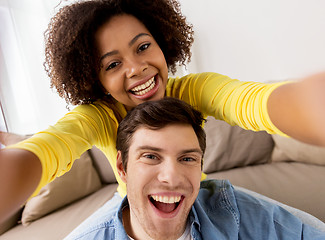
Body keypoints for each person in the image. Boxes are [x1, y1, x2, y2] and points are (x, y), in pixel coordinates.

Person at [0, 0, 325, 226]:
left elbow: (251, 101)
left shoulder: (195, 91)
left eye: (143, 47)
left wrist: (308, 104)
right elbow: (50, 147)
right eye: (113, 64)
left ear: (163, 43)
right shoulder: (98, 117)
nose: (137, 67)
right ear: (94, 79)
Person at [66, 97, 325, 239]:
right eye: (151, 157)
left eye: (187, 159)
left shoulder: (242, 214)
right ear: (122, 167)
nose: (171, 177)